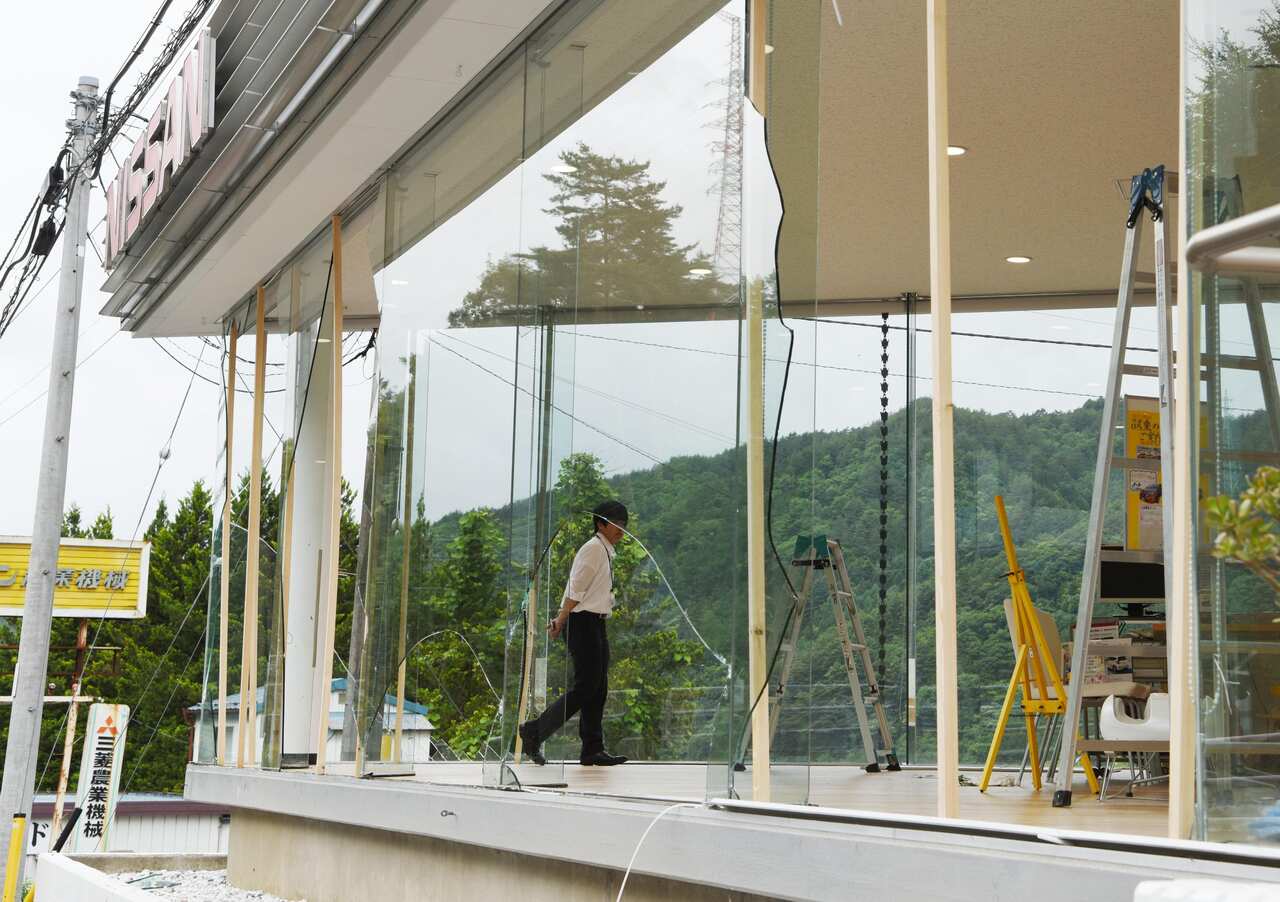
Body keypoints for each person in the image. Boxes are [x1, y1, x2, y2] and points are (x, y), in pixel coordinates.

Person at [519, 500, 630, 767]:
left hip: (596, 622)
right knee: (586, 686)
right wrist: (561, 618)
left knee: (598, 688)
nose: (621, 531)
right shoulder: (593, 549)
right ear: (600, 523)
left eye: (624, 525)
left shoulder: (604, 551)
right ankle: (534, 731)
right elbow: (575, 589)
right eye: (616, 524)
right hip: (582, 622)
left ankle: (592, 749)